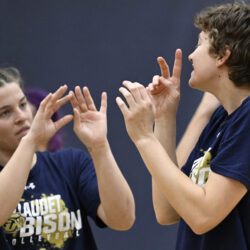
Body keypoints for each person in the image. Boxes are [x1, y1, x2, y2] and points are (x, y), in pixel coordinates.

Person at [116, 2, 250, 250]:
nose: (191, 55)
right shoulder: (223, 118)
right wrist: (163, 118)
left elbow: (202, 216)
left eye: (200, 43)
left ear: (223, 55)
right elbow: (167, 210)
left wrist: (144, 138)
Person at [0, 67, 135, 249]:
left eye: (23, 104)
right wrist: (31, 139)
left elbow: (123, 219)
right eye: (5, 113)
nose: (21, 117)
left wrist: (100, 147)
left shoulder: (70, 164)